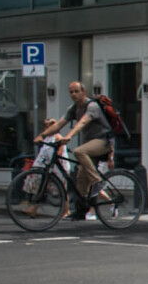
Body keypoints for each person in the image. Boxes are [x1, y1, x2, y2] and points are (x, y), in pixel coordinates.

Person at [33, 82, 112, 219]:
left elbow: (82, 123)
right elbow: (58, 124)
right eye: (71, 92)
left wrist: (69, 136)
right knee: (81, 179)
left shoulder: (91, 106)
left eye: (76, 91)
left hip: (103, 141)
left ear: (83, 92)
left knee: (79, 151)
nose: (73, 94)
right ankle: (81, 211)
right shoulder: (74, 108)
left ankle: (97, 181)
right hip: (90, 142)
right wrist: (43, 135)